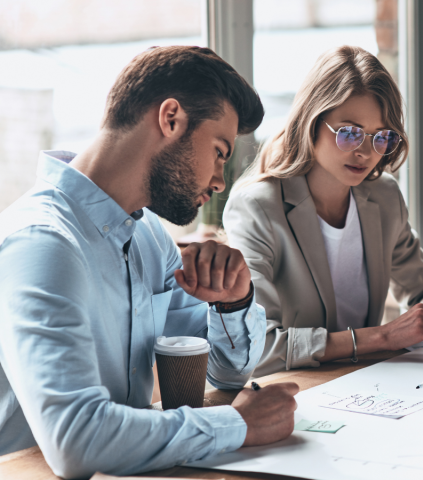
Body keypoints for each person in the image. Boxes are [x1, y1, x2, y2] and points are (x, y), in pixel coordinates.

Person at [0, 46, 300, 477]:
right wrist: (239, 424)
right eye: (219, 151)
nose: (219, 181)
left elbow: (227, 372)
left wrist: (232, 303)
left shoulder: (147, 236)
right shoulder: (43, 244)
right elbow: (77, 442)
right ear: (171, 118)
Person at [223, 46, 423, 376]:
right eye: (349, 133)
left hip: (368, 384)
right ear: (311, 123)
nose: (365, 152)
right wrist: (384, 336)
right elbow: (258, 345)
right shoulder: (258, 207)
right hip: (294, 390)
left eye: (380, 137)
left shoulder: (383, 195)